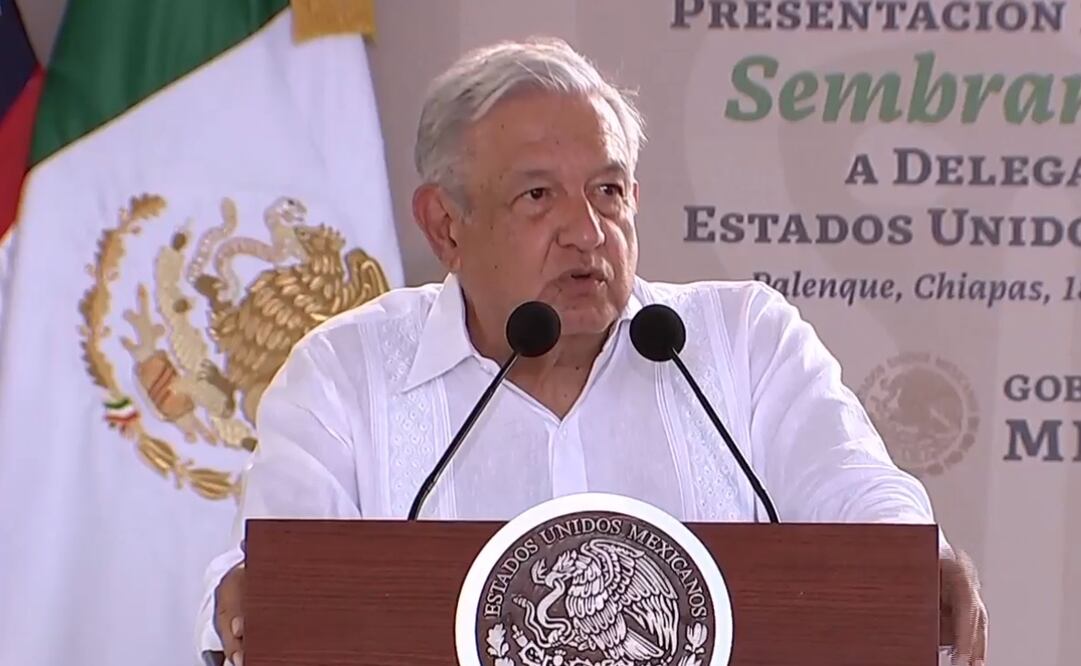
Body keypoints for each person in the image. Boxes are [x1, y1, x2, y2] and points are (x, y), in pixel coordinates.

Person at [196, 37, 988, 666]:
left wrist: (914, 553)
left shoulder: (742, 340)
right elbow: (275, 571)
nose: (587, 230)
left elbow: (852, 490)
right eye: (537, 195)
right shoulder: (345, 374)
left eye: (608, 190)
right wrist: (243, 596)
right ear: (445, 226)